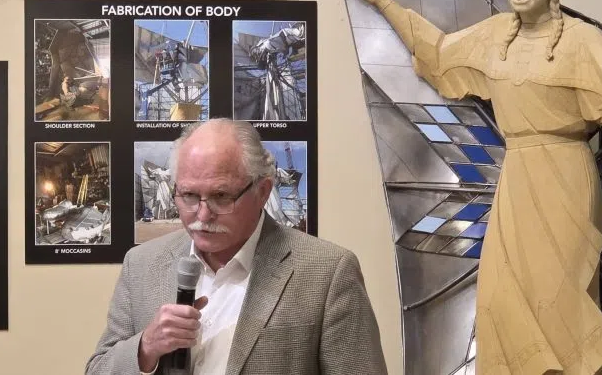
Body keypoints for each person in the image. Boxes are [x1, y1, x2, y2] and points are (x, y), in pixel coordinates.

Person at [350, 0, 602, 375]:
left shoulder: (583, 39)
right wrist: (384, 2)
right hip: (517, 176)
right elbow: (437, 51)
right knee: (500, 292)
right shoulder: (494, 35)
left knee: (557, 292)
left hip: (565, 174)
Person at [86, 118, 387, 374]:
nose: (203, 215)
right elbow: (98, 368)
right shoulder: (141, 264)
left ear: (263, 191)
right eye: (189, 196)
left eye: (221, 196)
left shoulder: (328, 272)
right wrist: (146, 347)